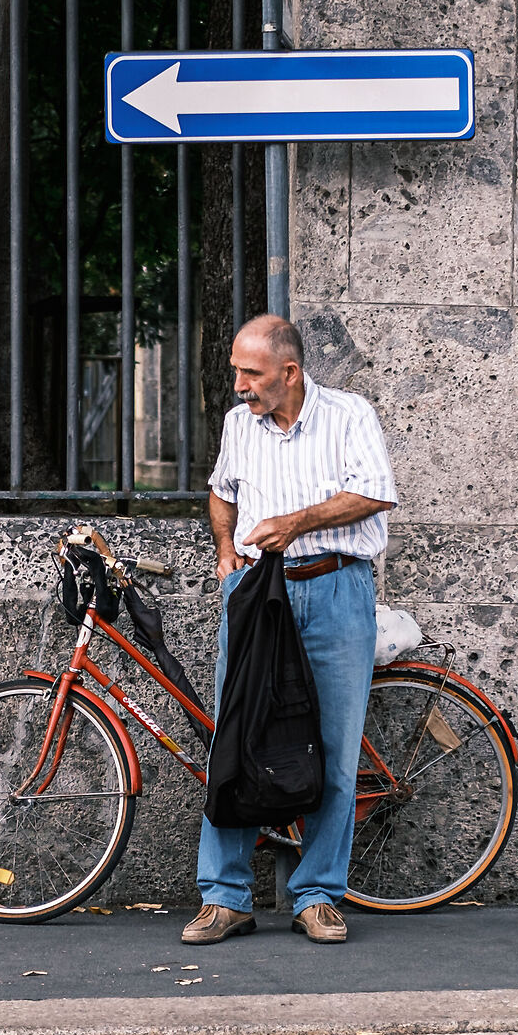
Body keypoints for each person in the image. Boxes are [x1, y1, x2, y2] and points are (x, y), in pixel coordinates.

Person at [185, 314, 397, 949]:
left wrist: (296, 522)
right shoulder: (237, 425)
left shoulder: (349, 415)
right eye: (236, 372)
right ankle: (224, 897)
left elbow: (376, 493)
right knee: (237, 739)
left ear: (290, 372)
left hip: (336, 588)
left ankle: (317, 894)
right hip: (256, 593)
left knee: (332, 749)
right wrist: (226, 553)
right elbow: (222, 490)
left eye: (251, 373)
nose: (240, 385)